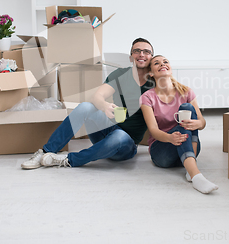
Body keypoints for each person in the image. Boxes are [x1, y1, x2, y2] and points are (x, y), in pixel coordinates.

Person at [21, 38, 154, 169]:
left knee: (119, 136)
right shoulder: (120, 74)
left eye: (146, 52)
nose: (141, 54)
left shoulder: (155, 83)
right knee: (86, 106)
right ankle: (46, 152)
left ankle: (69, 159)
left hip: (126, 144)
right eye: (137, 51)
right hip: (106, 130)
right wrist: (105, 106)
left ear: (151, 57)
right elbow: (97, 96)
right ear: (131, 57)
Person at [140, 55, 218, 194]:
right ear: (151, 73)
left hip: (189, 147)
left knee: (187, 108)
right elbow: (153, 130)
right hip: (163, 152)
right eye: (157, 63)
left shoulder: (186, 91)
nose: (162, 64)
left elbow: (203, 122)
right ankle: (196, 176)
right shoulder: (147, 97)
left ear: (170, 68)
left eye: (165, 62)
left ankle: (191, 170)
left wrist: (197, 123)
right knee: (182, 127)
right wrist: (170, 138)